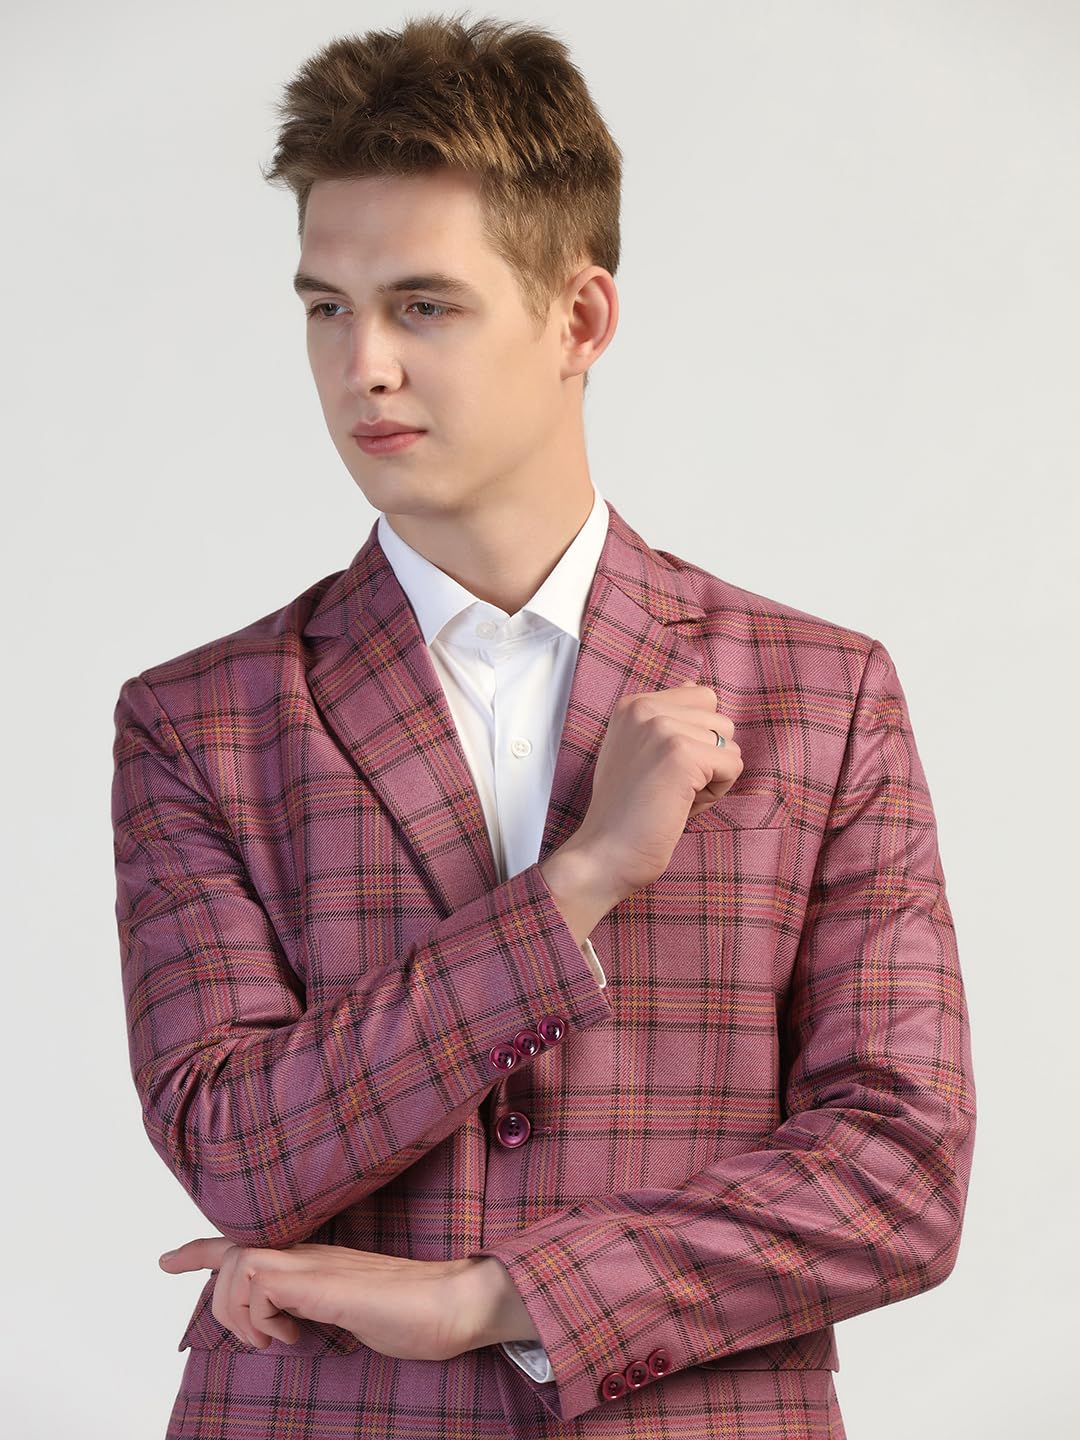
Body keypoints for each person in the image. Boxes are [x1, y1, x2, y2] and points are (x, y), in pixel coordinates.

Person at [110, 13, 976, 1439]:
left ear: (579, 321)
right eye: (326, 307)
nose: (361, 365)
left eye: (422, 307)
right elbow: (239, 1154)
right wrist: (582, 881)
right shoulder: (201, 721)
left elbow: (902, 1174)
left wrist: (497, 1299)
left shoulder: (823, 694)